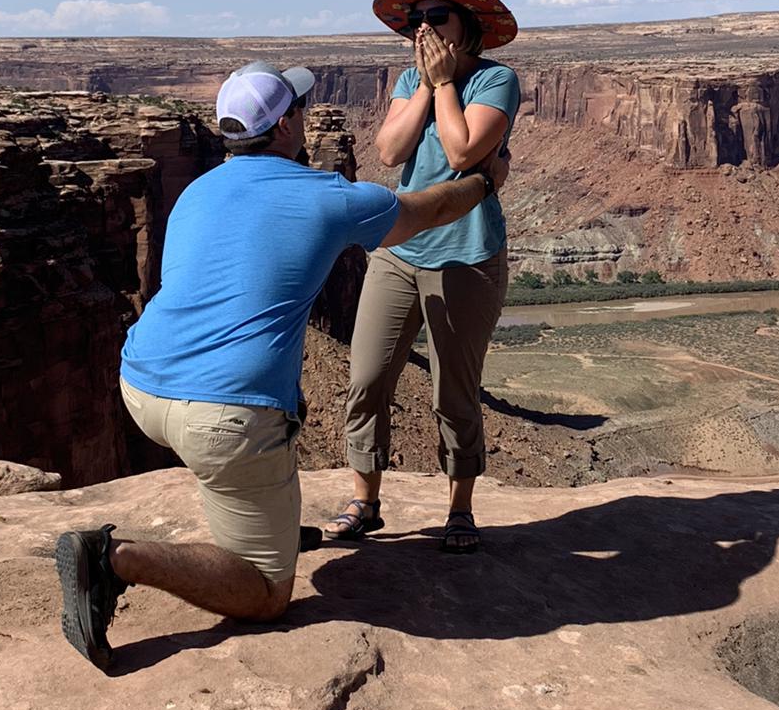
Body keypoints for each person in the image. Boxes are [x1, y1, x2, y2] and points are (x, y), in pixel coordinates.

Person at [55, 58, 511, 667]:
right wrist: (485, 181)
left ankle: (268, 517)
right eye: (298, 106)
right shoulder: (326, 197)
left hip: (140, 385)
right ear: (288, 125)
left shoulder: (197, 190)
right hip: (222, 418)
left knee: (279, 405)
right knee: (270, 594)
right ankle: (113, 560)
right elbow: (425, 211)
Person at [324, 0, 520, 554]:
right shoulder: (409, 82)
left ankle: (459, 510)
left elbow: (463, 152)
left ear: (467, 24)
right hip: (398, 253)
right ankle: (365, 500)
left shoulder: (495, 81)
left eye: (438, 16)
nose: (424, 29)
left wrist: (441, 85)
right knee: (366, 378)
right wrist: (423, 83)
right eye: (417, 20)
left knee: (453, 393)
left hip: (465, 258)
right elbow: (387, 151)